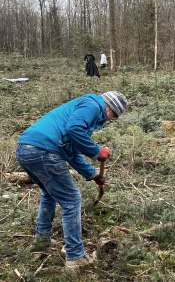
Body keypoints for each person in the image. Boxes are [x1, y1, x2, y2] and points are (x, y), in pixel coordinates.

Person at [15, 91, 128, 268]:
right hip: (43, 151)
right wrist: (96, 150)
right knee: (71, 199)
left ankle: (41, 242)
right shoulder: (93, 105)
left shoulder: (83, 110)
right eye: (113, 116)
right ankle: (75, 256)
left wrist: (93, 174)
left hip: (26, 150)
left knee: (49, 194)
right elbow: (74, 130)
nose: (110, 120)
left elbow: (71, 151)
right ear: (109, 107)